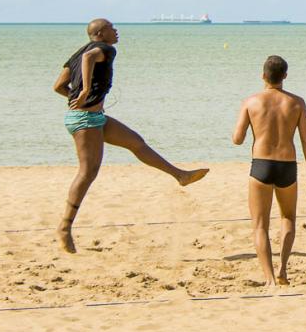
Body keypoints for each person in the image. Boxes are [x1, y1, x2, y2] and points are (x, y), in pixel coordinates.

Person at [53, 19, 209, 254]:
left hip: (94, 118)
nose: (116, 31)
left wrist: (77, 98)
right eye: (111, 28)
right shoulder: (105, 49)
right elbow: (88, 60)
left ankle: (180, 175)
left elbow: (58, 85)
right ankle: (64, 228)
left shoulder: (77, 53)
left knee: (136, 142)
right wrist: (84, 93)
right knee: (88, 172)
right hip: (85, 120)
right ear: (99, 33)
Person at [232, 55, 306, 286]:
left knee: (260, 224)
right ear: (285, 76)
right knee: (288, 218)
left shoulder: (251, 102)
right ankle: (283, 270)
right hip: (287, 165)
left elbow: (237, 139)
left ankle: (268, 278)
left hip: (261, 164)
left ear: (263, 75)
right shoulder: (297, 103)